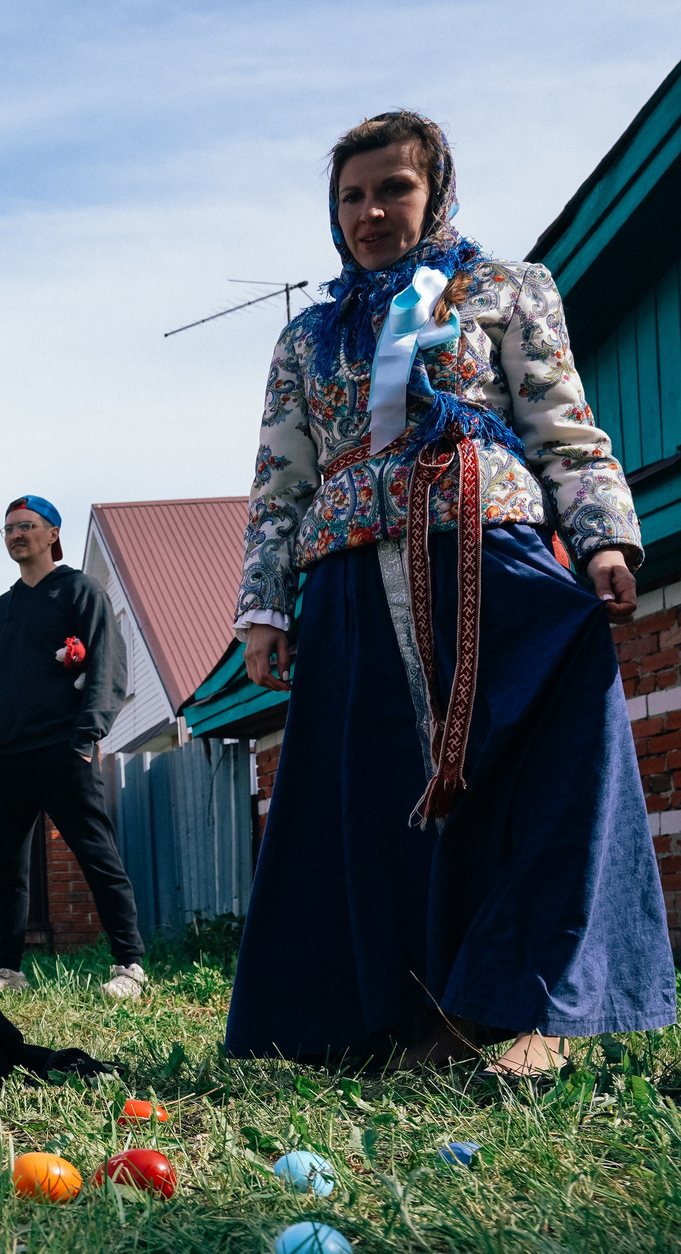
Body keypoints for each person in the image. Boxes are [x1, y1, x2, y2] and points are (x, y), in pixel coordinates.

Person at [229, 111, 665, 1069]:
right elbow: (280, 482)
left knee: (544, 766)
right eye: (351, 195)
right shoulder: (308, 338)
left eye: (394, 189)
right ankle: (404, 1018)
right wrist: (264, 606)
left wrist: (599, 538)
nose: (371, 211)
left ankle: (529, 1010)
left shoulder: (505, 291)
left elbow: (564, 427)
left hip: (492, 560)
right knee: (375, 797)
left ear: (438, 192)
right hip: (348, 585)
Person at [0, 494, 147, 999]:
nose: (16, 535)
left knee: (98, 856)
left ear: (53, 534)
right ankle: (7, 971)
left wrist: (87, 736)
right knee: (6, 869)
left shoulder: (79, 590)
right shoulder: (0, 610)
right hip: (3, 758)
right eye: (7, 529)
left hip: (62, 750)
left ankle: (129, 966)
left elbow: (109, 664)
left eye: (27, 526)